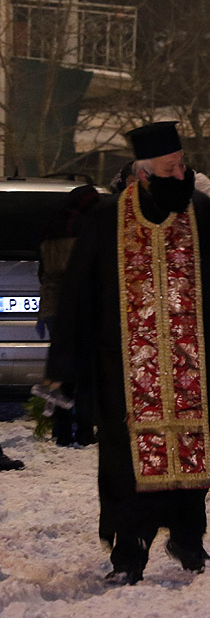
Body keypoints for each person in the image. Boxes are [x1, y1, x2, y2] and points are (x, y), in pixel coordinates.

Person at [44, 121, 210, 585]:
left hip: (194, 369)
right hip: (124, 375)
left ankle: (188, 537)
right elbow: (78, 296)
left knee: (198, 448)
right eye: (171, 166)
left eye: (182, 164)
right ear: (145, 172)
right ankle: (129, 549)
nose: (181, 172)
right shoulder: (107, 218)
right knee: (124, 461)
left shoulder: (206, 216)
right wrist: (65, 364)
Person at [37, 184, 101, 446]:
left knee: (62, 370)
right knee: (85, 373)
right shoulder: (84, 228)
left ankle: (61, 430)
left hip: (52, 307)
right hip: (78, 309)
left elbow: (44, 273)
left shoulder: (52, 226)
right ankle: (84, 431)